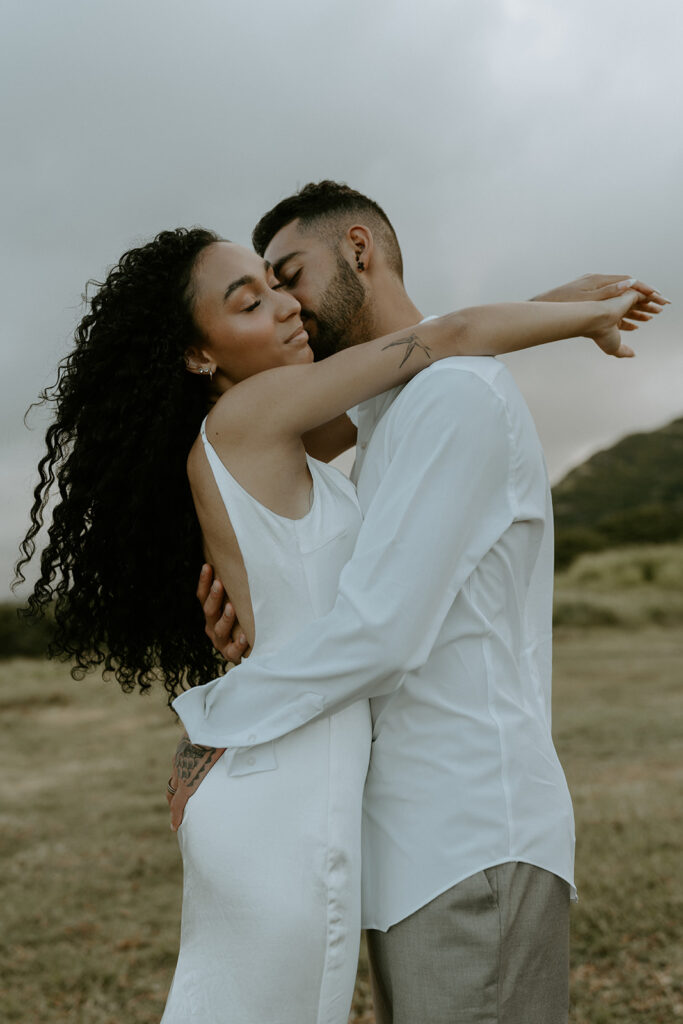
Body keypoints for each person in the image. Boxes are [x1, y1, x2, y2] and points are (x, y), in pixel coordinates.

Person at [15, 214, 660, 1024]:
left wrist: (535, 304)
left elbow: (417, 382)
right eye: (251, 301)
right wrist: (574, 316)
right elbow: (447, 339)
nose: (286, 307)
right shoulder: (257, 416)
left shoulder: (281, 432)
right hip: (278, 777)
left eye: (282, 284)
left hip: (306, 779)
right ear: (196, 353)